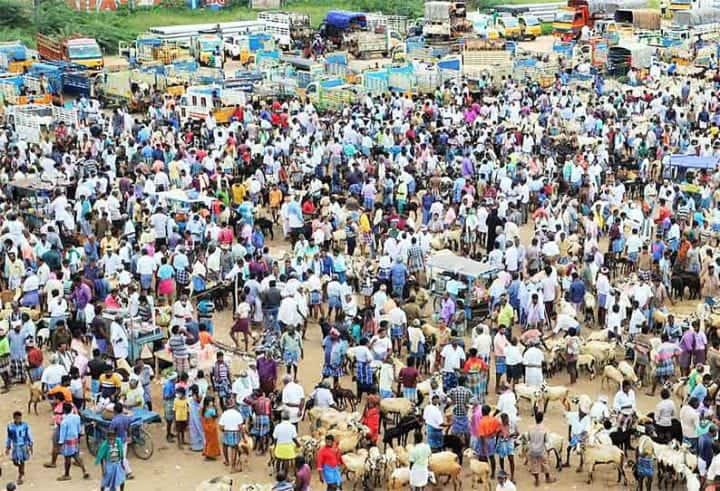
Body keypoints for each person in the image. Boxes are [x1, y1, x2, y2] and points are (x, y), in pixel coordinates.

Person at [56, 402, 90, 481]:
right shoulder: (77, 417)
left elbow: (62, 434)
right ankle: (84, 471)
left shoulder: (64, 421)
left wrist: (60, 443)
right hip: (75, 439)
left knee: (67, 459)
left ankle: (67, 474)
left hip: (68, 441)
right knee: (76, 456)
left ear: (64, 410)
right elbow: (79, 429)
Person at [525, 411, 556, 486]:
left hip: (532, 450)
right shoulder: (545, 429)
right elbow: (546, 440)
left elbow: (528, 439)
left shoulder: (530, 428)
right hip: (541, 450)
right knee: (545, 464)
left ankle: (537, 480)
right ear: (542, 419)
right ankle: (547, 478)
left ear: (535, 418)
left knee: (534, 465)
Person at [5, 411, 32, 484]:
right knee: (15, 461)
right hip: (15, 446)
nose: (18, 420)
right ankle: (20, 469)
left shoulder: (25, 425)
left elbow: (28, 435)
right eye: (17, 418)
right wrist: (7, 447)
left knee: (21, 460)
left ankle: (21, 475)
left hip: (23, 445)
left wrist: (30, 444)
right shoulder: (10, 427)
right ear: (14, 418)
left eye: (19, 418)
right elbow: (9, 437)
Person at [219, 398, 245, 471]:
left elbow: (220, 427)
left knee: (225, 446)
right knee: (234, 448)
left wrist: (224, 430)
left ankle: (227, 461)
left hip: (226, 432)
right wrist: (243, 436)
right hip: (235, 432)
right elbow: (240, 427)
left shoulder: (224, 414)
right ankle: (233, 467)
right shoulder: (238, 414)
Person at [201, 396, 221, 461]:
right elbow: (216, 416)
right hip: (212, 426)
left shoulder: (204, 409)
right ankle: (210, 454)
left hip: (206, 426)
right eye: (211, 402)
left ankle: (207, 453)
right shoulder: (212, 410)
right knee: (212, 441)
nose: (212, 403)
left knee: (208, 440)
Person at [188, 384, 205, 452]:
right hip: (195, 413)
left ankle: (197, 446)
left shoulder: (195, 396)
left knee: (195, 429)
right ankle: (200, 445)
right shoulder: (199, 395)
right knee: (198, 428)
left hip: (194, 413)